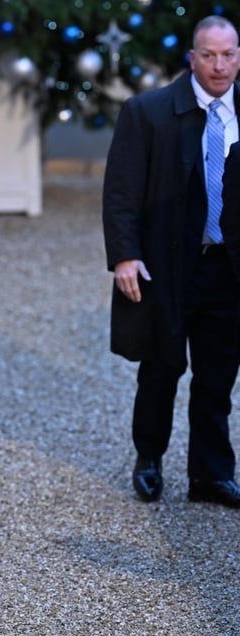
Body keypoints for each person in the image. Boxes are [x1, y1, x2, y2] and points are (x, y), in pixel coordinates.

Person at [103, 15, 240, 508]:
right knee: (161, 367)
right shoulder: (149, 112)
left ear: (239, 56)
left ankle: (210, 475)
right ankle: (149, 459)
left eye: (228, 54)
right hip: (168, 265)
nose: (219, 65)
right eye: (209, 55)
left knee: (218, 375)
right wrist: (124, 256)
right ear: (192, 57)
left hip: (228, 269)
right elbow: (120, 192)